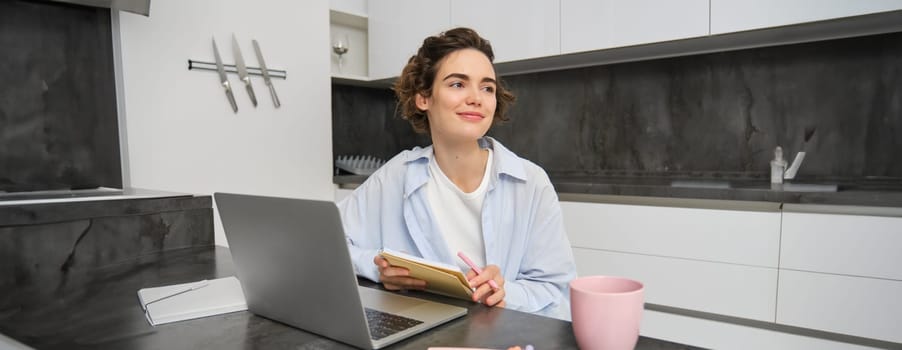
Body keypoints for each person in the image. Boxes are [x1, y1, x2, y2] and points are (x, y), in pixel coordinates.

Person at [337, 27, 576, 320]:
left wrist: (505, 294)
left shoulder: (531, 183)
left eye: (487, 88)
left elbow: (556, 293)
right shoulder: (396, 175)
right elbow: (330, 243)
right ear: (424, 97)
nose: (476, 97)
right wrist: (377, 267)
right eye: (458, 84)